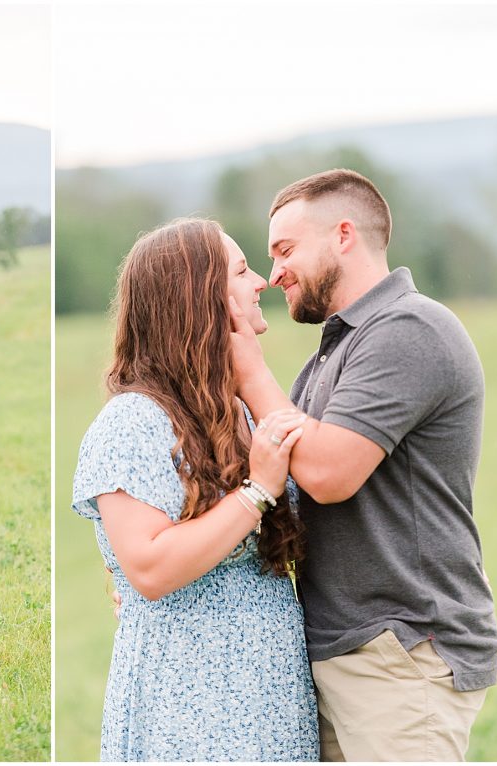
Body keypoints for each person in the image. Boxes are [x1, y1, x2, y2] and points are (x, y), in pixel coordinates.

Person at [228, 169, 497, 761]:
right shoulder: (337, 350)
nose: (273, 272)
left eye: (285, 249)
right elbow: (282, 488)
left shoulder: (408, 328)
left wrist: (249, 369)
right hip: (346, 651)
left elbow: (326, 477)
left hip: (402, 653)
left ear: (344, 235)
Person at [72, 218, 319, 762]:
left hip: (269, 692)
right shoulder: (134, 420)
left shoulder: (235, 412)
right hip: (188, 699)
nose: (261, 281)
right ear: (199, 298)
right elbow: (152, 569)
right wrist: (257, 492)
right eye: (240, 270)